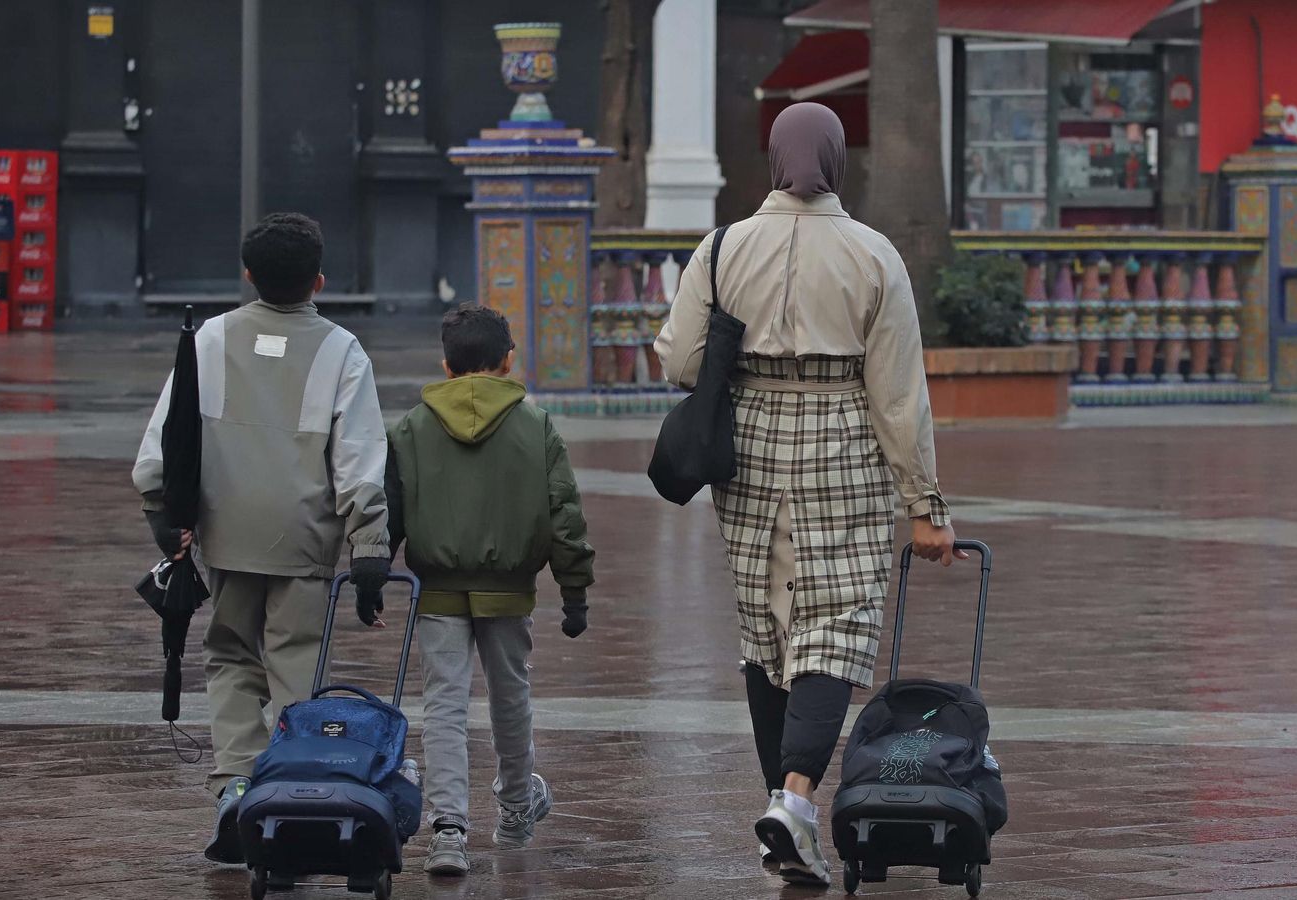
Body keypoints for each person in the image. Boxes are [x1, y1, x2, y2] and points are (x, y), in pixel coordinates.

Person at [654, 102, 964, 888]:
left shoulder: (722, 247)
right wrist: (925, 506)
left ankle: (782, 813)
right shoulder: (873, 254)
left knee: (768, 629)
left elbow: (680, 361)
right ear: (834, 159)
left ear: (771, 158)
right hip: (842, 441)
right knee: (837, 626)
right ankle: (793, 802)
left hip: (749, 447)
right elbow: (899, 395)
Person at [132, 212, 392, 863]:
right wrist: (369, 544)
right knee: (295, 665)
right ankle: (290, 786)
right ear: (320, 280)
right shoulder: (342, 350)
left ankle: (234, 786)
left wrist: (161, 509)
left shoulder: (210, 339)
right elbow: (359, 456)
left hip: (224, 534)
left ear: (247, 274)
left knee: (229, 658)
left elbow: (167, 438)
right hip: (304, 540)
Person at [384, 304, 595, 876]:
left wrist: (373, 570)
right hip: (509, 590)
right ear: (508, 360)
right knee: (511, 698)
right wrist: (573, 590)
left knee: (444, 707)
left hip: (438, 591)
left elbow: (390, 511)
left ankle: (448, 829)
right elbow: (564, 514)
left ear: (445, 365)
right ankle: (516, 807)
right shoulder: (536, 424)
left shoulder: (411, 427)